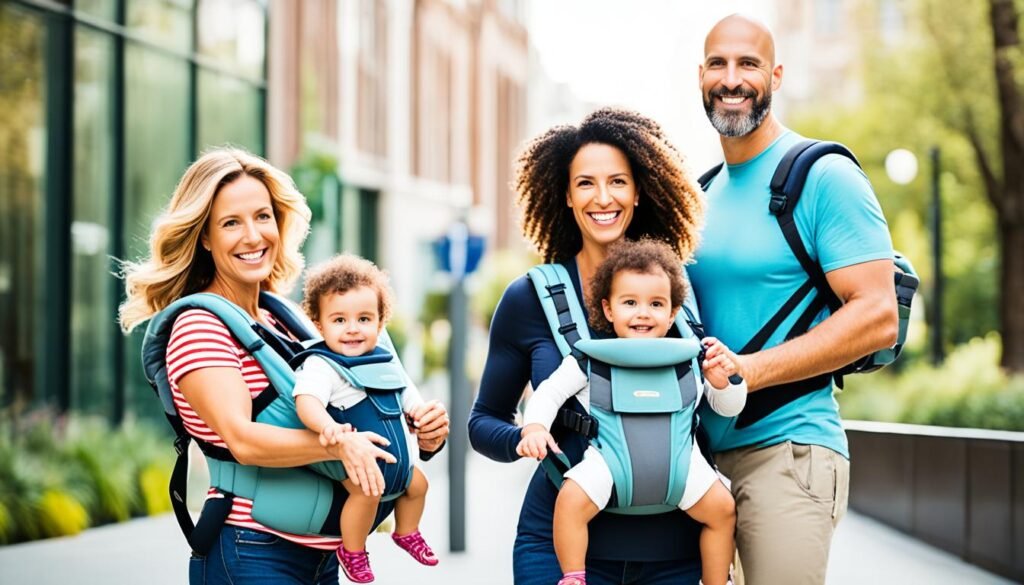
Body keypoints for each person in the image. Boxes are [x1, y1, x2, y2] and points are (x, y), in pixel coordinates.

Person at [118, 148, 449, 585]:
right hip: (251, 551)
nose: (253, 236)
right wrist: (340, 445)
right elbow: (243, 440)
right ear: (204, 237)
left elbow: (350, 403)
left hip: (319, 557)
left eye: (263, 216)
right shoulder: (199, 327)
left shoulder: (286, 321)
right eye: (231, 223)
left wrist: (422, 431)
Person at [689, 14, 899, 585]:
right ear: (700, 76)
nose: (732, 79)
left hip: (789, 450)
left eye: (748, 64)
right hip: (699, 465)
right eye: (718, 64)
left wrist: (750, 371)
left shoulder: (823, 176)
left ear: (776, 75)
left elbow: (878, 315)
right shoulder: (700, 194)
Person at [469, 107, 708, 584]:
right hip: (557, 547)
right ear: (566, 196)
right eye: (585, 183)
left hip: (672, 551)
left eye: (617, 181)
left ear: (639, 192)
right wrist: (525, 437)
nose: (603, 198)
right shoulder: (529, 299)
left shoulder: (682, 289)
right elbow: (482, 422)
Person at [516, 239, 746, 585]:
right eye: (630, 303)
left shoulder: (693, 359)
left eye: (656, 304)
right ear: (608, 310)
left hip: (682, 467)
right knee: (569, 502)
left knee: (724, 510)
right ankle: (575, 576)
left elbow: (728, 408)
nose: (643, 313)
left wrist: (724, 383)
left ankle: (716, 580)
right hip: (609, 463)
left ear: (672, 313)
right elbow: (549, 392)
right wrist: (534, 427)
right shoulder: (590, 360)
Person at [293, 253, 440, 583]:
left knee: (419, 484)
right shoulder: (323, 365)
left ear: (380, 322)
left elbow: (407, 395)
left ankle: (406, 531)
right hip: (358, 465)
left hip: (399, 466)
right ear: (319, 324)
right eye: (339, 320)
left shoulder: (385, 360)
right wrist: (328, 427)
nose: (353, 330)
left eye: (364, 319)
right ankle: (354, 549)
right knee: (366, 494)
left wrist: (420, 414)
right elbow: (307, 402)